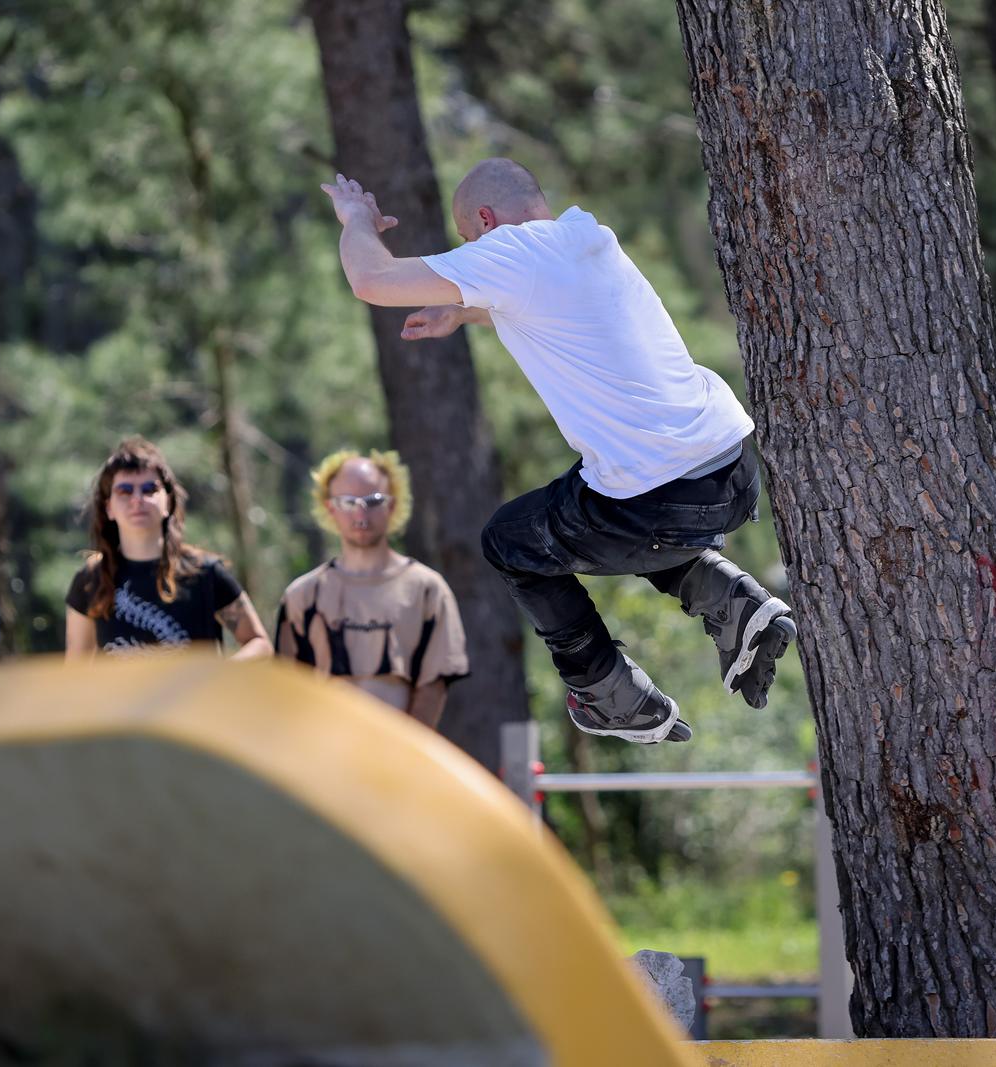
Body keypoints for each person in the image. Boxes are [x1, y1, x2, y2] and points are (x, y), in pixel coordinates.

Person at [321, 160, 796, 744]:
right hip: (728, 467)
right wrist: (464, 308)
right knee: (599, 494)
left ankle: (608, 694)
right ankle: (734, 602)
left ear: (487, 222)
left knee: (512, 542)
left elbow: (372, 279)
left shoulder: (510, 252)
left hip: (661, 495)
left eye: (470, 240)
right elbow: (540, 300)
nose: (473, 253)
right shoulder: (586, 234)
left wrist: (356, 220)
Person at [276, 450, 469, 729]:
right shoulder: (303, 595)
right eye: (348, 501)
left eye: (373, 500)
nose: (360, 512)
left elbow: (432, 686)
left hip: (399, 758)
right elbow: (289, 688)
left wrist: (404, 753)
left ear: (392, 505)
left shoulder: (427, 590)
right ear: (330, 508)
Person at [66, 437, 271, 660]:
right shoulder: (90, 580)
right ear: (109, 508)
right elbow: (77, 667)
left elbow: (259, 643)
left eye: (149, 489)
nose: (138, 500)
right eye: (125, 491)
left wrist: (220, 676)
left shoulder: (204, 572)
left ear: (168, 502)